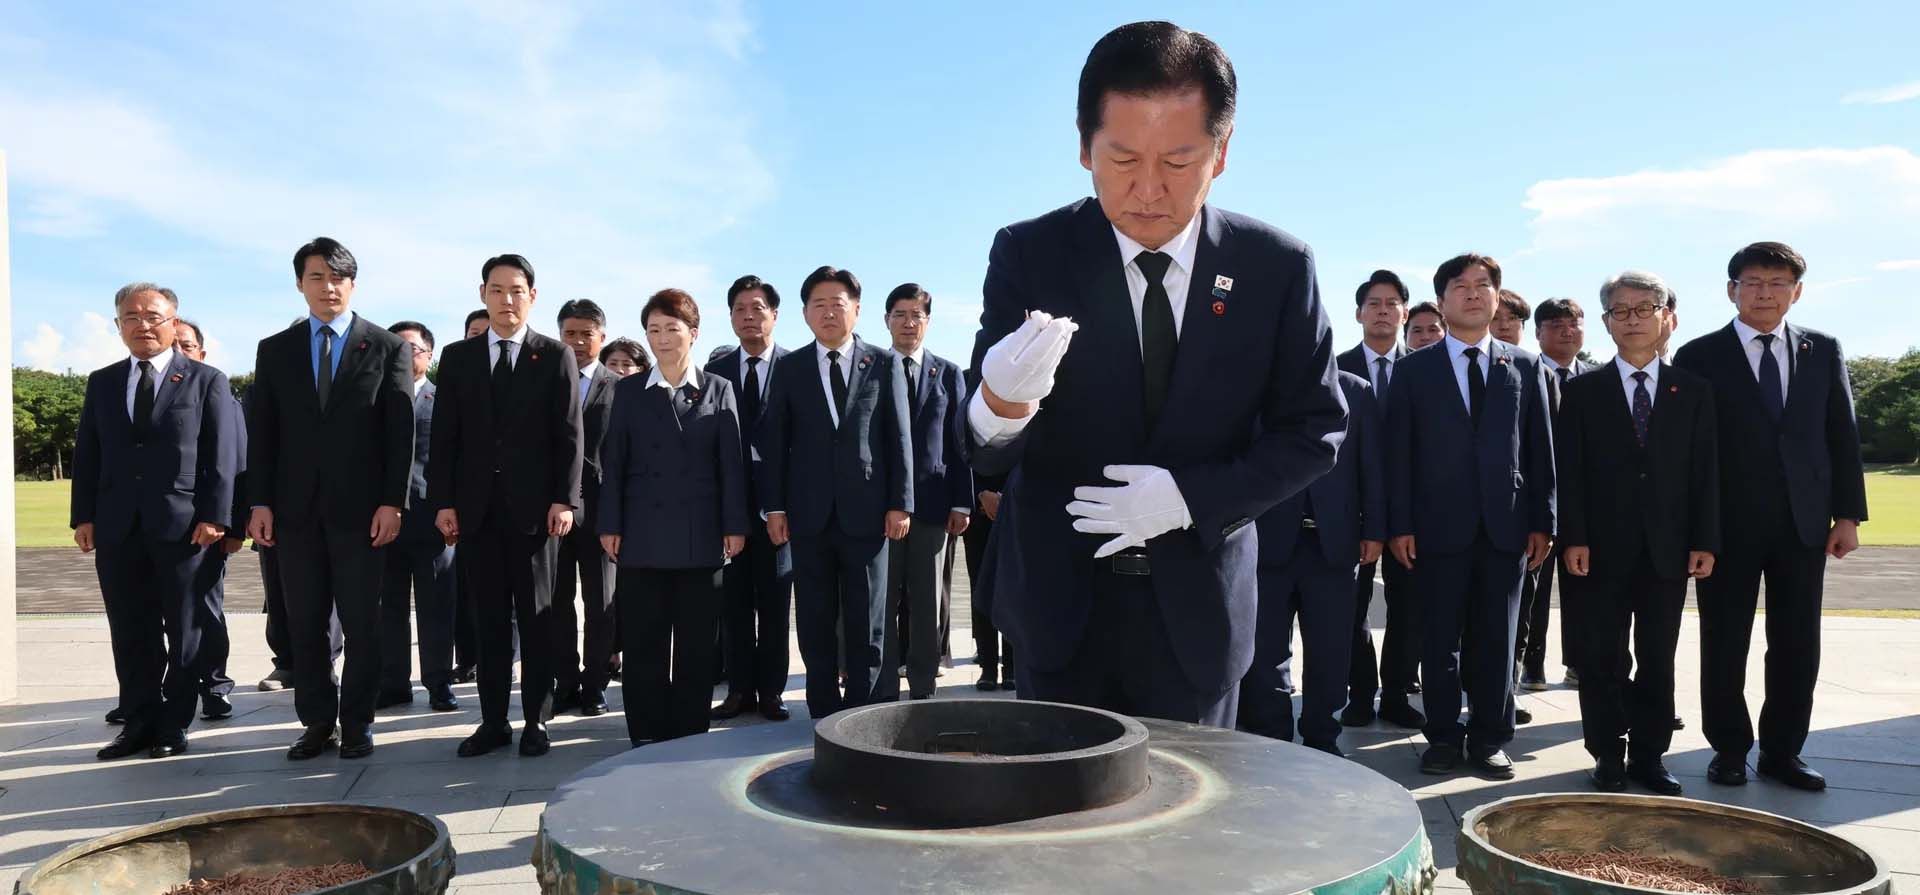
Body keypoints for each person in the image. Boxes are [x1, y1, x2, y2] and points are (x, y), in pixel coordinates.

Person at [967, 22, 1347, 728]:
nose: (1147, 190)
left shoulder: (1275, 266)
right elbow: (986, 450)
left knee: (1190, 824)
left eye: (1178, 161)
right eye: (1121, 158)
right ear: (1083, 148)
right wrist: (1000, 403)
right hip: (1060, 608)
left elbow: (1314, 430)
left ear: (1221, 152)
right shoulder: (1031, 252)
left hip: (1198, 615)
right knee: (1055, 817)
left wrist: (1188, 498)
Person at [1674, 241, 1868, 792]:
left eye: (1778, 283)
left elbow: (1841, 435)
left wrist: (1848, 515)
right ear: (1731, 289)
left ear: (1796, 291)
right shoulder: (1698, 355)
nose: (1765, 292)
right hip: (1726, 528)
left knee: (1797, 642)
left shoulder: (1822, 350)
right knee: (1724, 639)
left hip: (1802, 526)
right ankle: (1729, 749)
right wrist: (1695, 528)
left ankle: (1784, 751)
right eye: (1753, 282)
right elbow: (1688, 452)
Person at [1386, 253, 1554, 779]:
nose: (1474, 293)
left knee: (1498, 641)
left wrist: (1543, 521)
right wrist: (1399, 524)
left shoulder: (1524, 365)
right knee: (1439, 641)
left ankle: (1489, 737)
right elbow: (1399, 455)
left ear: (1498, 298)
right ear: (1441, 301)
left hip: (1505, 528)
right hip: (1435, 529)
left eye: (1484, 285)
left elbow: (1539, 449)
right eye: (1460, 286)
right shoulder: (1414, 369)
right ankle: (1441, 737)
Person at [246, 238, 414, 761]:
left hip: (364, 512)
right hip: (294, 513)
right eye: (317, 277)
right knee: (306, 621)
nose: (329, 287)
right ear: (300, 284)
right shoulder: (275, 350)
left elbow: (399, 433)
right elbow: (264, 432)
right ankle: (318, 720)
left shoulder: (386, 346)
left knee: (363, 621)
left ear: (353, 284)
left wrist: (394, 502)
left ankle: (358, 722)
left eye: (338, 277)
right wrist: (260, 502)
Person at [1558, 271, 1719, 796]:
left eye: (1644, 308)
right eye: (1620, 311)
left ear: (1667, 316)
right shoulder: (1581, 391)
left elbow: (1705, 471)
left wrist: (1704, 539)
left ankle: (1650, 754)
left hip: (1669, 549)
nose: (1633, 319)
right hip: (1598, 550)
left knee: (1658, 655)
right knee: (1601, 655)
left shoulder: (1694, 391)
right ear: (1606, 323)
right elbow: (1571, 470)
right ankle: (1606, 752)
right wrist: (1574, 536)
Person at [73, 283, 240, 760]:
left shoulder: (206, 379)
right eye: (131, 316)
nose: (142, 324)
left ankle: (173, 723)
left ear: (173, 321)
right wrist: (83, 515)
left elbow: (221, 455)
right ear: (118, 325)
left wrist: (216, 516)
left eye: (152, 315)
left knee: (185, 629)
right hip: (117, 526)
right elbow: (89, 453)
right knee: (130, 629)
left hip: (185, 526)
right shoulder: (102, 381)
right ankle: (139, 721)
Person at [429, 253, 584, 758]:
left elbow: (569, 435)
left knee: (537, 618)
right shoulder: (457, 357)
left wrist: (566, 499)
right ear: (483, 295)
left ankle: (537, 721)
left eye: (517, 290)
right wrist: (443, 502)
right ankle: (493, 721)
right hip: (477, 512)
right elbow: (445, 438)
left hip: (537, 514)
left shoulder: (554, 354)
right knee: (488, 622)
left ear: (532, 296)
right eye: (497, 290)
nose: (507, 300)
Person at [757, 266, 914, 718]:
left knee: (868, 619)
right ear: (805, 313)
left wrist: (900, 502)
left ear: (857, 310)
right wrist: (776, 508)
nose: (828, 313)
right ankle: (823, 711)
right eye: (818, 305)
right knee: (814, 617)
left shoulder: (883, 362)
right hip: (808, 515)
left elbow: (898, 436)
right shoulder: (789, 367)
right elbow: (776, 441)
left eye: (838, 304)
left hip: (868, 513)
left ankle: (862, 713)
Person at [600, 289, 748, 743]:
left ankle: (689, 732)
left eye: (673, 329)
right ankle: (644, 733)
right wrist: (610, 524)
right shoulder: (628, 391)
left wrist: (734, 525)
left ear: (694, 334)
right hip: (641, 536)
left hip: (700, 538)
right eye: (654, 330)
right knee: (643, 643)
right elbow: (614, 462)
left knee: (695, 647)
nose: (663, 339)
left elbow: (732, 464)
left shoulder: (719, 389)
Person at [1241, 371, 1383, 756]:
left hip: (1334, 542)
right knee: (1266, 649)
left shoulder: (1355, 389)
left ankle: (1323, 736)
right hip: (1267, 539)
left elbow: (1369, 462)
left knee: (1330, 648)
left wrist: (1374, 528)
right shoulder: (1256, 382)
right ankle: (1273, 737)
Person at [1336, 270, 1423, 731]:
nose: (1383, 310)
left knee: (1409, 610)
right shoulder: (1334, 369)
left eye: (1393, 303)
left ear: (1405, 313)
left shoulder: (1427, 369)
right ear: (1358, 314)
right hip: (1356, 511)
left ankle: (1395, 694)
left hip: (1414, 511)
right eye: (1374, 303)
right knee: (1353, 609)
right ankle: (1359, 693)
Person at [877, 284, 973, 701]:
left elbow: (960, 441)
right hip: (880, 507)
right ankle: (881, 685)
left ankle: (922, 685)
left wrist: (961, 499)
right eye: (900, 314)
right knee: (881, 598)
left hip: (934, 505)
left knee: (927, 599)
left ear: (928, 322)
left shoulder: (948, 373)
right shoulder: (871, 367)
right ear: (886, 320)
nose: (908, 323)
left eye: (917, 315)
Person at [707, 275, 795, 721]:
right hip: (730, 513)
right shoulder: (715, 374)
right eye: (739, 309)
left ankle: (771, 691)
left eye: (757, 308)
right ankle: (739, 689)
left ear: (774, 315)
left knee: (776, 606)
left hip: (782, 512)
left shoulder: (796, 367)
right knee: (734, 606)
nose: (748, 317)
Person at [376, 321, 461, 713]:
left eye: (415, 349)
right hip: (385, 521)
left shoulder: (444, 400)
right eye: (399, 348)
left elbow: (455, 460)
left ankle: (439, 682)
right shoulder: (375, 400)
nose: (407, 355)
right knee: (387, 606)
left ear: (430, 355)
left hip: (432, 519)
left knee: (437, 607)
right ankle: (393, 682)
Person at [549, 299, 621, 717]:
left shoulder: (622, 386)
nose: (577, 342)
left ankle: (595, 685)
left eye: (586, 334)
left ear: (602, 336)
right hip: (554, 512)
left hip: (601, 513)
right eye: (570, 334)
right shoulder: (546, 380)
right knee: (556, 603)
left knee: (601, 604)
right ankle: (565, 682)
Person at [1517, 297, 1593, 692]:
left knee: (1584, 587)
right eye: (1556, 324)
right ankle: (1532, 664)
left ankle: (1579, 662)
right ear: (1539, 332)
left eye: (1574, 323)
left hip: (1585, 505)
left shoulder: (1596, 379)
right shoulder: (1525, 375)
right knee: (1536, 589)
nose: (1567, 331)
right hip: (1540, 501)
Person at [174, 320, 237, 721]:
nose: (180, 351)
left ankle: (214, 685)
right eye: (174, 343)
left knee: (206, 609)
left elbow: (236, 463)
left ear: (202, 351)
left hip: (206, 525)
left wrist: (233, 526)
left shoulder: (221, 395)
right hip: (156, 523)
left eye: (187, 345)